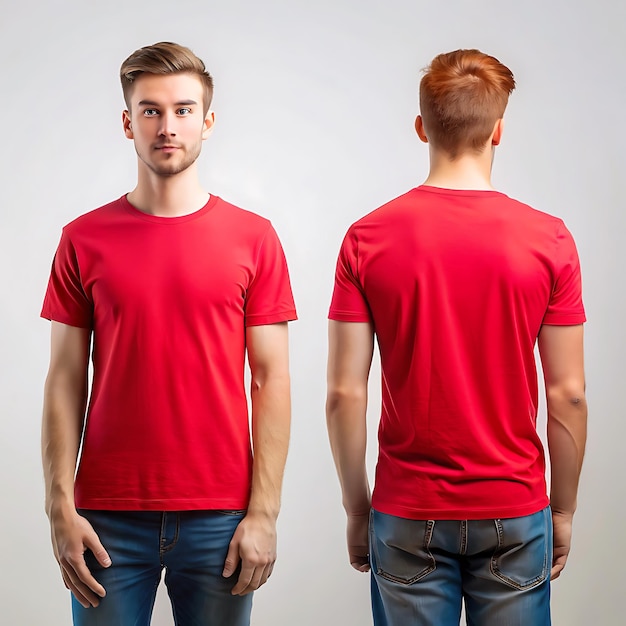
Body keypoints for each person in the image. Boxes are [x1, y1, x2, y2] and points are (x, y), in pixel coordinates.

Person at [326, 48, 587, 626]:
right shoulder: (549, 241)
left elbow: (345, 393)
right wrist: (562, 510)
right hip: (516, 507)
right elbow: (568, 393)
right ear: (499, 131)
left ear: (421, 128)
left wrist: (356, 510)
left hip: (406, 507)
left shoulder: (366, 239)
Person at [41, 41, 297, 626]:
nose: (167, 126)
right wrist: (59, 505)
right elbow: (62, 379)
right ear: (128, 122)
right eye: (151, 110)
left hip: (219, 515)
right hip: (106, 516)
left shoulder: (254, 239)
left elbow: (272, 379)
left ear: (207, 121)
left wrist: (264, 512)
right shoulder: (83, 239)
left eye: (183, 110)